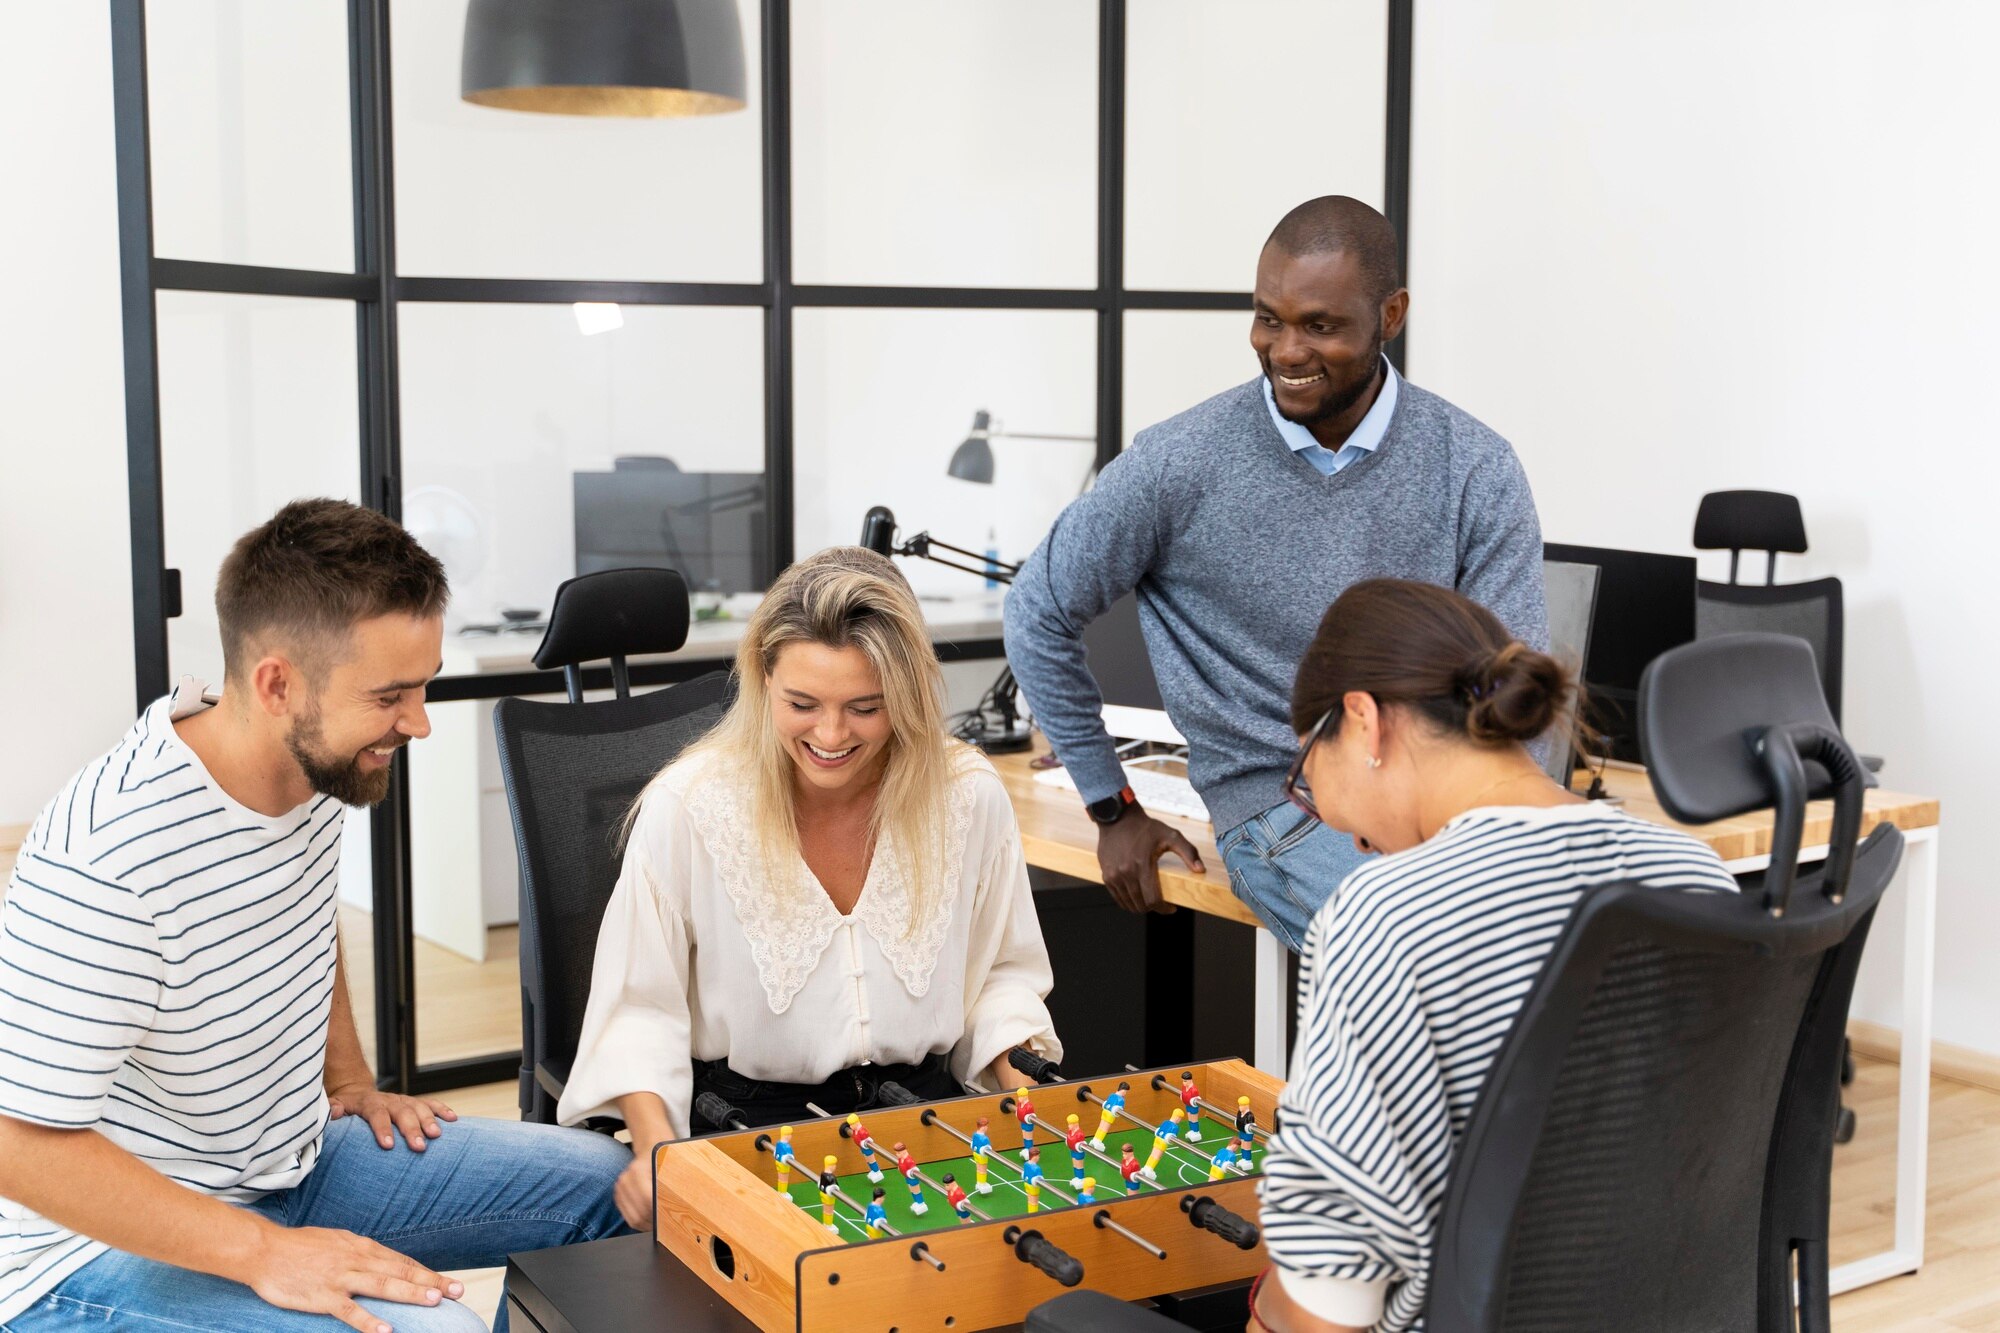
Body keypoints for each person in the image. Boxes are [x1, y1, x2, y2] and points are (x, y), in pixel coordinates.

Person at [0, 499, 628, 1333]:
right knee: (440, 1331)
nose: (420, 722)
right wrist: (263, 1251)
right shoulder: (110, 853)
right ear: (276, 684)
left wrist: (350, 1081)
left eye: (424, 686)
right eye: (392, 695)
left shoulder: (306, 771)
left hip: (290, 1167)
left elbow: (301, 923)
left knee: (614, 1189)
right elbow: (19, 1142)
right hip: (89, 1255)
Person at [1005, 195, 1548, 950]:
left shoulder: (1475, 467)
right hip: (1282, 807)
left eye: (1319, 326)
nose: (1286, 349)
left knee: (1588, 933)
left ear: (1391, 315)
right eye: (1268, 318)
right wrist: (1112, 804)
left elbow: (1516, 685)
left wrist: (1501, 838)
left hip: (1443, 803)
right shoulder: (1179, 461)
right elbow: (1037, 610)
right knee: (1449, 955)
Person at [1249, 580, 1738, 1333]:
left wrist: (1265, 1306)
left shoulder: (1388, 912)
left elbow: (1331, 1309)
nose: (1349, 839)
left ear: (1363, 719)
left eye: (1310, 781)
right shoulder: (1695, 870)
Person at [558, 547, 1061, 1230]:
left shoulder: (966, 795)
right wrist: (655, 1150)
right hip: (746, 1134)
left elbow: (998, 974)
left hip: (928, 1134)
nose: (829, 734)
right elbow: (638, 1011)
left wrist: (1022, 1082)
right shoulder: (691, 804)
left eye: (865, 707)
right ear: (763, 680)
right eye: (802, 703)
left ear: (907, 696)